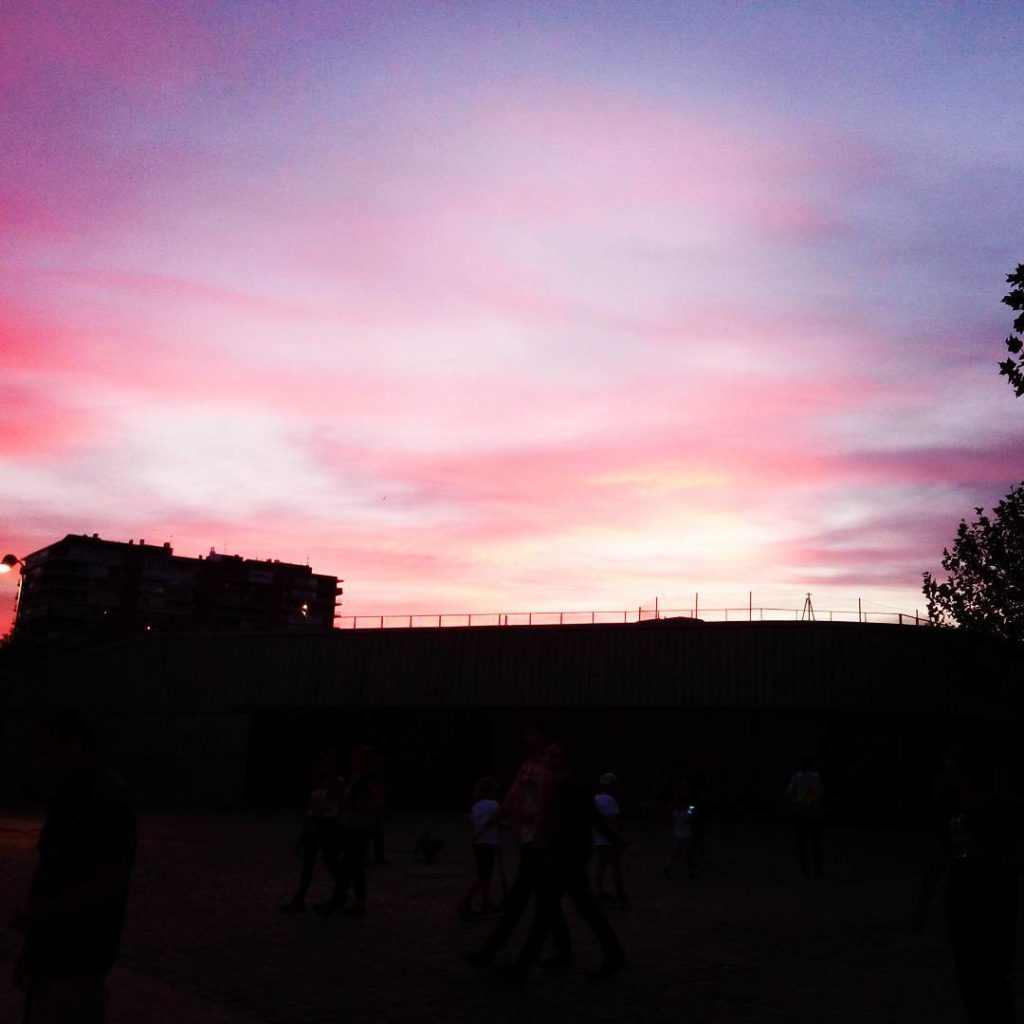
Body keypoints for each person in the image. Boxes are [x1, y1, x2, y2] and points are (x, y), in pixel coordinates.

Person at [10, 711, 137, 1024]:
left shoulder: (106, 800)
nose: (43, 761)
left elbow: (108, 880)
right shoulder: (70, 794)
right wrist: (31, 948)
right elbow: (50, 872)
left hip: (79, 953)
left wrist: (43, 914)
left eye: (48, 750)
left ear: (77, 745)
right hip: (51, 951)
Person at [912, 746, 1023, 1024]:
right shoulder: (952, 808)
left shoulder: (1000, 809)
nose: (946, 774)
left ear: (968, 772)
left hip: (994, 898)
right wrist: (923, 902)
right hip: (961, 896)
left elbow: (1015, 856)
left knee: (993, 973)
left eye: (951, 768)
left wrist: (987, 854)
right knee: (967, 972)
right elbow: (940, 855)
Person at [500, 741, 627, 982]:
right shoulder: (553, 785)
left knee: (554, 910)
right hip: (560, 854)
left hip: (569, 856)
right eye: (550, 755)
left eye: (557, 755)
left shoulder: (571, 786)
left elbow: (592, 818)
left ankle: (526, 966)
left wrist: (619, 841)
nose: (551, 759)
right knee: (564, 909)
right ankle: (600, 953)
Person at [464, 724, 552, 967]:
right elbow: (512, 799)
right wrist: (486, 827)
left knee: (524, 899)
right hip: (533, 839)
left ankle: (498, 955)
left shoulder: (546, 766)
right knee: (543, 899)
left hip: (541, 840)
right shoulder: (528, 766)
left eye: (532, 732)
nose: (527, 737)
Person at [316, 745, 382, 917]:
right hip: (350, 824)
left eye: (357, 758)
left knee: (350, 863)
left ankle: (341, 899)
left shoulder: (369, 778)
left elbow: (376, 802)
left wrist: (353, 804)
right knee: (351, 864)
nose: (354, 761)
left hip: (359, 826)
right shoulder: (356, 777)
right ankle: (349, 900)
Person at [280, 748, 344, 913]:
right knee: (309, 863)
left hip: (327, 827)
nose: (324, 764)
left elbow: (337, 808)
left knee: (329, 861)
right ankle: (300, 897)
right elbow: (312, 809)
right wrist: (303, 833)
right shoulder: (318, 781)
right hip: (314, 825)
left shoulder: (337, 783)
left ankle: (339, 894)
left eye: (327, 761)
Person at [458, 777, 501, 918]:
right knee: (483, 875)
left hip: (479, 844)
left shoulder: (476, 807)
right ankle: (466, 902)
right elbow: (497, 821)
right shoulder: (494, 805)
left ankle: (486, 901)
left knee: (483, 874)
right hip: (489, 843)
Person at [787, 755, 825, 878]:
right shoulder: (815, 777)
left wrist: (800, 801)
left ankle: (805, 869)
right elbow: (819, 794)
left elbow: (789, 793)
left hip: (801, 813)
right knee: (815, 843)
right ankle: (816, 869)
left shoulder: (797, 777)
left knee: (803, 843)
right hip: (813, 814)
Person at [593, 773, 627, 905]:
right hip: (611, 839)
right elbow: (615, 819)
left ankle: (599, 891)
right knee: (616, 867)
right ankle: (620, 893)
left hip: (598, 838)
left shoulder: (594, 799)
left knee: (600, 867)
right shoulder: (611, 800)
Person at [663, 779, 697, 880]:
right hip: (685, 831)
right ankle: (670, 869)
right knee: (684, 852)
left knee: (680, 852)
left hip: (678, 830)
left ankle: (688, 871)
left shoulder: (674, 810)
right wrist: (691, 813)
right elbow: (689, 820)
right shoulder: (684, 811)